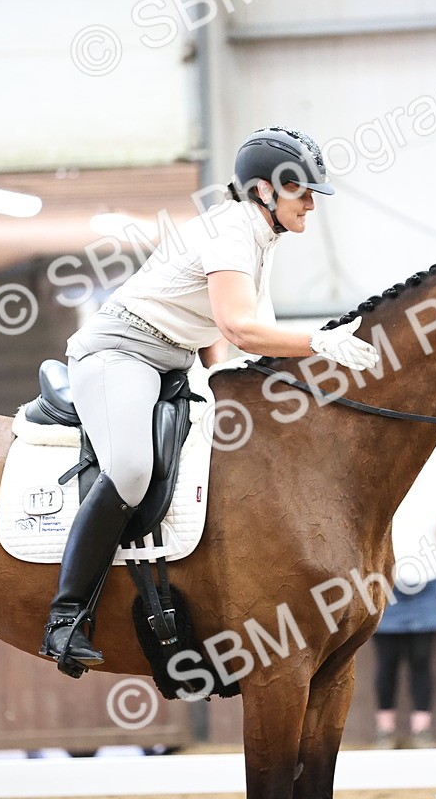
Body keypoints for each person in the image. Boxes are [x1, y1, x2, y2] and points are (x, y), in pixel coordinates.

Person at [40, 126, 380, 671]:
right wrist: (320, 340)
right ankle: (66, 615)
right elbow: (240, 327)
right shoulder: (231, 231)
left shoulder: (260, 237)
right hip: (120, 356)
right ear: (266, 192)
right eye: (304, 193)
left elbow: (245, 341)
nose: (312, 206)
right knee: (129, 469)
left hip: (174, 362)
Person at [373, 509, 436, 748]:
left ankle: (421, 731)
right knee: (387, 661)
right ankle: (385, 732)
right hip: (386, 585)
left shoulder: (434, 490)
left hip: (428, 585)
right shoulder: (384, 483)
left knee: (421, 659)